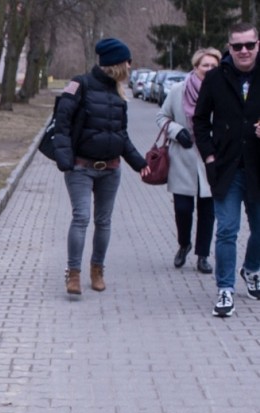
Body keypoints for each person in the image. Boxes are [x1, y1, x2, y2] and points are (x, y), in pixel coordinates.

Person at [53, 38, 150, 296]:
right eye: (128, 61)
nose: (131, 66)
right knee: (82, 217)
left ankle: (98, 269)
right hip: (80, 167)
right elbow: (61, 124)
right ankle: (73, 274)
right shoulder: (80, 84)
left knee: (104, 221)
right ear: (117, 64)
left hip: (111, 169)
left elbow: (122, 135)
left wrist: (139, 163)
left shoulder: (119, 94)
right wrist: (65, 160)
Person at [193, 22, 260, 317]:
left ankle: (252, 269)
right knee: (227, 230)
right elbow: (199, 120)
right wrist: (208, 157)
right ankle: (225, 289)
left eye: (249, 45)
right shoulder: (216, 77)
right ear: (229, 48)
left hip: (258, 167)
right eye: (237, 46)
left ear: (258, 45)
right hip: (227, 168)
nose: (244, 51)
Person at [156, 47, 222, 274]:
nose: (210, 69)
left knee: (208, 210)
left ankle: (203, 255)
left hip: (210, 158)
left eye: (214, 66)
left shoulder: (222, 90)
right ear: (196, 67)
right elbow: (161, 116)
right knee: (183, 209)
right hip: (182, 157)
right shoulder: (178, 90)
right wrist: (175, 130)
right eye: (206, 65)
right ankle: (184, 244)